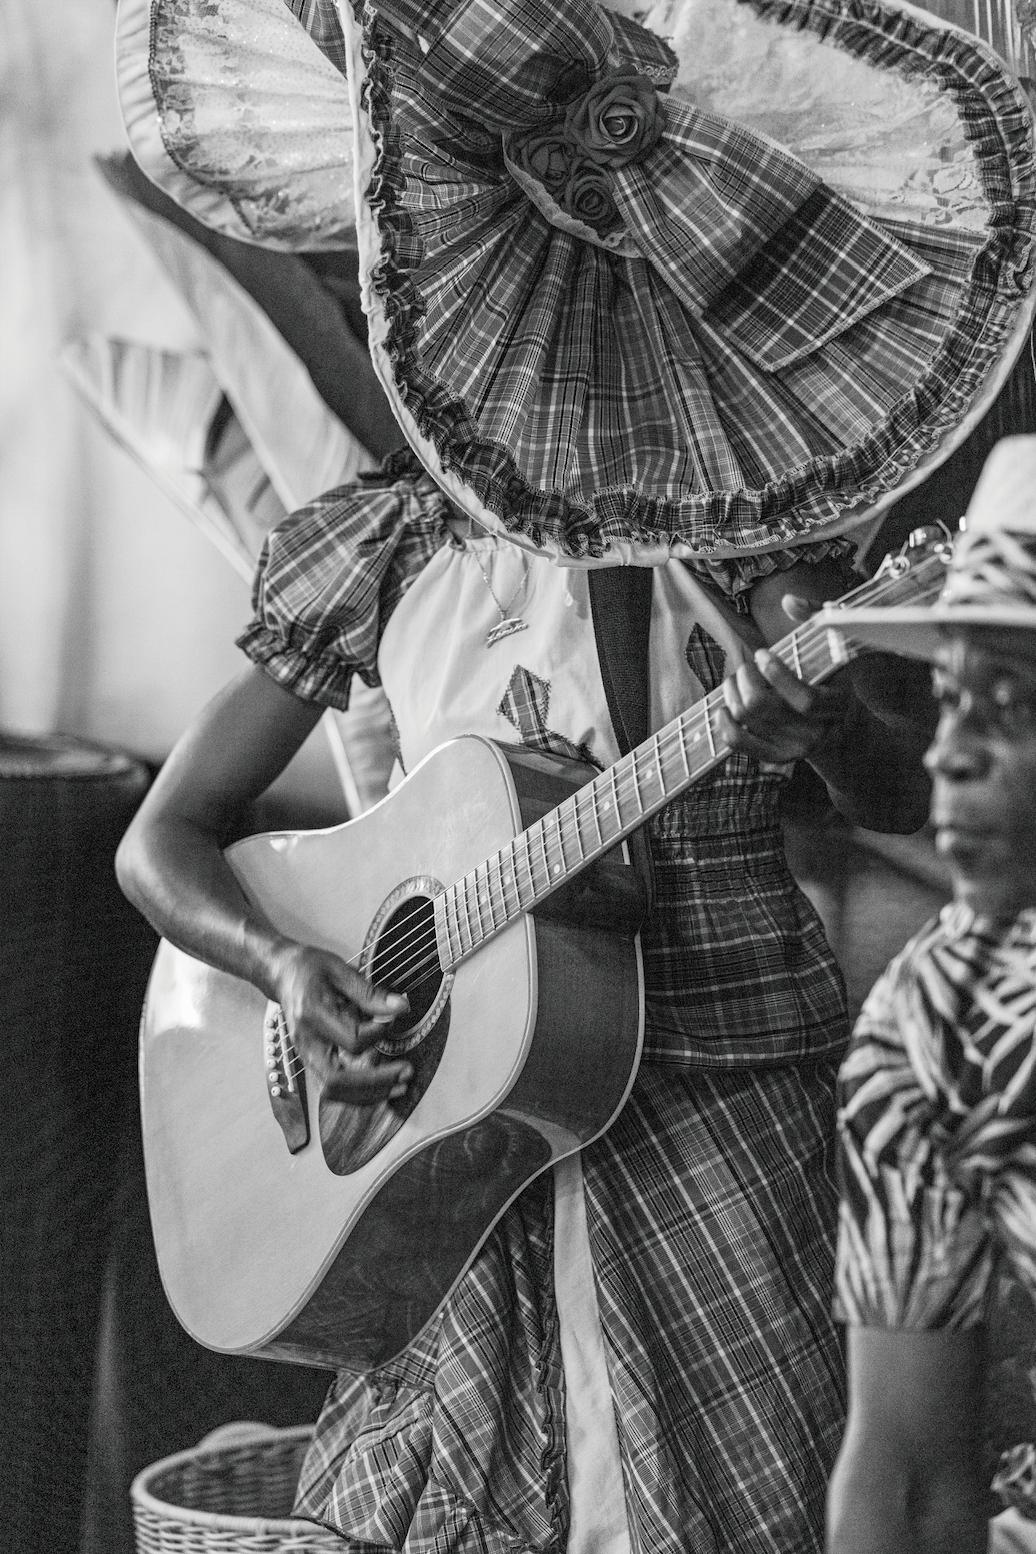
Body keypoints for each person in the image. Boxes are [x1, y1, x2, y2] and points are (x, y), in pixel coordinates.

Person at [114, 0, 1035, 1549]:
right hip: (447, 1168)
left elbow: (903, 779)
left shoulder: (758, 546)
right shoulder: (386, 547)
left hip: (721, 1118)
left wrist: (815, 734)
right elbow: (165, 841)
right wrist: (289, 961)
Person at [823, 435, 1036, 1554]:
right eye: (950, 700)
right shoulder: (933, 1020)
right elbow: (906, 1468)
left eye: (1005, 705)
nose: (947, 752)